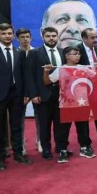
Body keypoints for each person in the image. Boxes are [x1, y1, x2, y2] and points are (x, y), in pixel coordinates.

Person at [0, 23, 32, 170]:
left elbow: (24, 75)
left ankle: (18, 153)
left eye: (9, 33)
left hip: (17, 94)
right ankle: (0, 157)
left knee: (17, 126)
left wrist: (26, 93)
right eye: (3, 34)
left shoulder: (19, 52)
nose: (7, 36)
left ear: (13, 35)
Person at [43, 46, 97, 163]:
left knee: (83, 127)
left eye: (79, 54)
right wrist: (46, 71)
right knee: (63, 129)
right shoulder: (61, 69)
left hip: (81, 103)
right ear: (67, 56)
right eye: (75, 54)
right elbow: (47, 81)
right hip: (66, 104)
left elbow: (96, 77)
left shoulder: (84, 68)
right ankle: (62, 150)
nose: (78, 56)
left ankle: (84, 147)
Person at [26, 27, 64, 159]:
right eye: (48, 36)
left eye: (54, 35)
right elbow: (30, 76)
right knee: (44, 125)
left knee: (60, 124)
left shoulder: (62, 52)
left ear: (57, 37)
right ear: (43, 37)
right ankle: (46, 149)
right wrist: (33, 94)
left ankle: (61, 147)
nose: (51, 38)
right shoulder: (34, 53)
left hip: (61, 95)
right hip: (42, 95)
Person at [16, 27, 35, 155]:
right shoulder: (15, 53)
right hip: (20, 92)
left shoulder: (37, 52)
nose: (25, 39)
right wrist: (24, 93)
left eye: (27, 37)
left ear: (31, 38)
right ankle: (21, 142)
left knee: (40, 119)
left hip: (36, 91)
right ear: (17, 39)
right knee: (19, 119)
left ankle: (40, 141)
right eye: (22, 37)